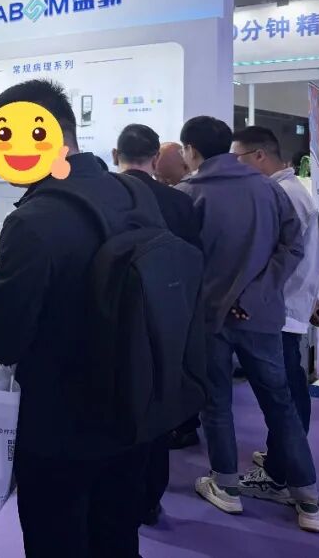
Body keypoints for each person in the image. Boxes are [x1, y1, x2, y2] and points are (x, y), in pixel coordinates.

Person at [0, 81, 159, 558]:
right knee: (118, 537)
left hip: (60, 425)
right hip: (135, 405)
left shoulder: (33, 220)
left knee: (56, 540)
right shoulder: (134, 194)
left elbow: (5, 341)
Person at [177, 117, 319, 533]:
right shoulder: (269, 189)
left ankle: (226, 485)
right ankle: (308, 498)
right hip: (261, 316)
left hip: (208, 318)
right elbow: (293, 247)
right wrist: (256, 295)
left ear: (191, 150)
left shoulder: (188, 194)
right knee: (280, 404)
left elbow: (180, 261)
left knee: (216, 403)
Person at [112, 123, 204, 525]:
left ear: (116, 155)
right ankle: (151, 497)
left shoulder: (105, 197)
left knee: (124, 405)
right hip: (171, 318)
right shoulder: (180, 202)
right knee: (160, 404)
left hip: (120, 320)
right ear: (155, 158)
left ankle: (123, 499)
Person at [229, 127, 319, 499]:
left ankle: (282, 471)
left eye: (237, 158)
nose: (234, 166)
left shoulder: (282, 195)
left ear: (258, 156)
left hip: (278, 309)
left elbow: (278, 258)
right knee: (288, 388)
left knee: (284, 395)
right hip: (286, 305)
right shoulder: (291, 190)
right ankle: (283, 457)